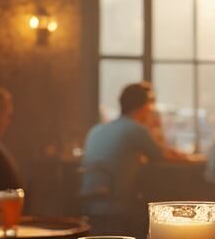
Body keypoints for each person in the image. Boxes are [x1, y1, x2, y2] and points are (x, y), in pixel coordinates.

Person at [80, 82, 187, 225]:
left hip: (88, 202)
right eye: (149, 106)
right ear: (144, 107)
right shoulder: (135, 129)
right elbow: (162, 155)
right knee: (158, 205)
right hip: (116, 204)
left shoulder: (97, 129)